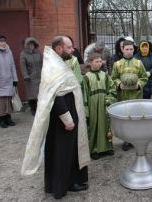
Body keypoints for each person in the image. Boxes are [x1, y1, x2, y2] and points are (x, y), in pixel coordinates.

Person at [21, 36, 89, 200]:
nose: (72, 50)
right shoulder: (53, 67)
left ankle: (63, 182)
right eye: (69, 47)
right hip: (63, 119)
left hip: (64, 116)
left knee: (63, 152)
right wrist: (68, 120)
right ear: (59, 48)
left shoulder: (57, 63)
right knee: (63, 154)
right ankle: (64, 186)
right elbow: (57, 97)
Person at [111, 40, 148, 151]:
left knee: (136, 118)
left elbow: (144, 77)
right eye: (127, 49)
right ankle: (126, 140)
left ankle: (136, 139)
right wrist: (119, 85)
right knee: (125, 119)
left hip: (136, 96)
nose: (129, 51)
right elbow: (113, 78)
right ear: (122, 49)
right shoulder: (117, 64)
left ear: (134, 50)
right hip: (123, 96)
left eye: (131, 49)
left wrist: (139, 85)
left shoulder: (138, 63)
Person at [82, 53, 116, 159]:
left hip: (103, 104)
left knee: (105, 125)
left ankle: (107, 147)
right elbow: (84, 95)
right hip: (92, 106)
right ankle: (94, 149)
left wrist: (109, 99)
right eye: (96, 61)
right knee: (94, 126)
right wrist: (86, 111)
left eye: (100, 61)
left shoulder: (105, 75)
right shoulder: (86, 77)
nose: (99, 63)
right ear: (90, 63)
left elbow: (112, 88)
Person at [20, 37, 43, 115]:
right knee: (32, 95)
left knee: (40, 93)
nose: (31, 46)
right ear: (26, 45)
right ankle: (33, 109)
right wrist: (25, 75)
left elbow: (43, 63)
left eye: (32, 44)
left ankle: (40, 109)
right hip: (30, 77)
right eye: (29, 44)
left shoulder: (39, 52)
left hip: (40, 76)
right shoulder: (23, 54)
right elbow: (23, 66)